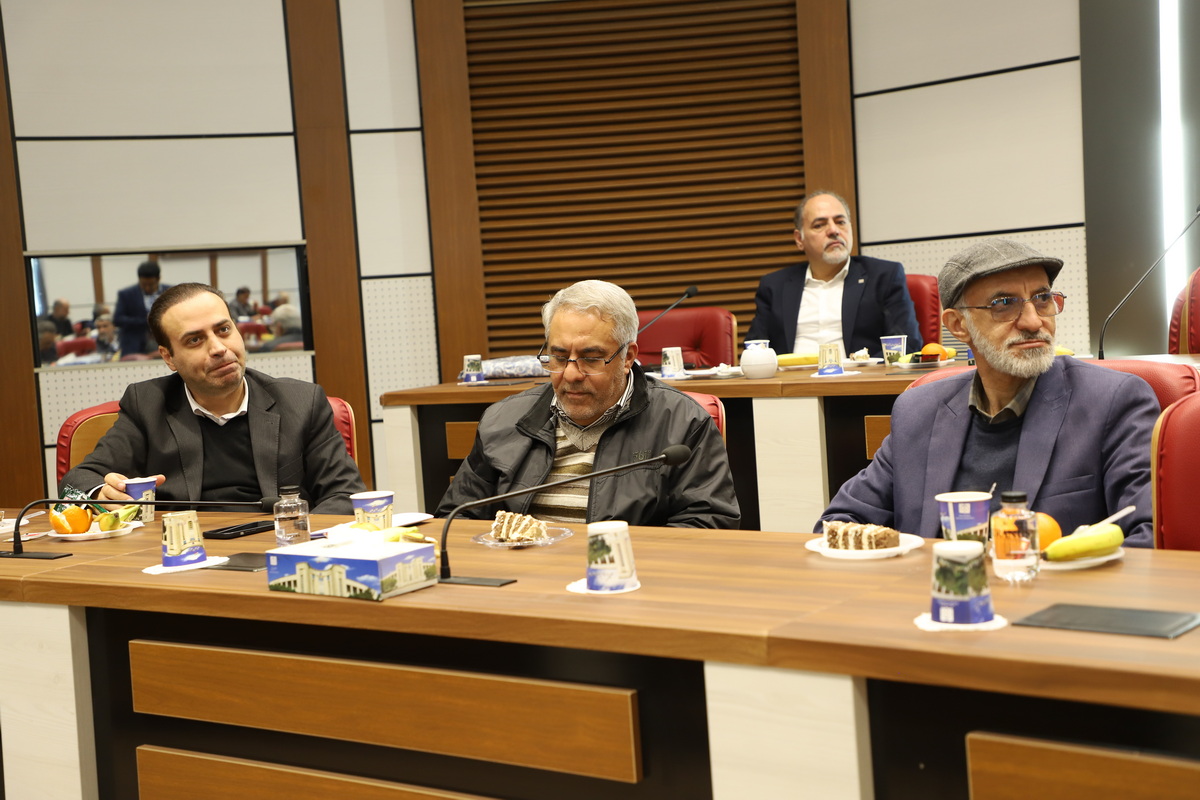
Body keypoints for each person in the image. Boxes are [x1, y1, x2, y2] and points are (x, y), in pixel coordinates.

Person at [818, 238, 1159, 547]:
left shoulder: (1113, 401)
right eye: (1004, 304)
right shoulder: (919, 411)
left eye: (1042, 299)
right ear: (958, 325)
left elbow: (1150, 536)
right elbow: (837, 525)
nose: (1033, 321)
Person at [437, 279, 740, 528]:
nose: (571, 374)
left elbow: (709, 523)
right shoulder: (501, 420)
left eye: (591, 358)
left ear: (628, 357)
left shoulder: (683, 422)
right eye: (558, 357)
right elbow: (456, 519)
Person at [61, 283, 364, 513]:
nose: (219, 348)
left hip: (279, 548)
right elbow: (77, 482)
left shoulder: (301, 402)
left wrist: (297, 540)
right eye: (195, 340)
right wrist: (100, 493)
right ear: (169, 357)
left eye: (224, 329)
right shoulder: (147, 404)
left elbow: (345, 494)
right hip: (183, 556)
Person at [745, 190, 922, 358]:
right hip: (793, 379)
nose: (833, 230)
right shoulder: (774, 286)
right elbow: (754, 350)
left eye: (840, 222)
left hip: (860, 379)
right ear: (800, 239)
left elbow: (907, 346)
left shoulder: (884, 276)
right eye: (819, 225)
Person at [113, 260, 167, 356]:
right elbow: (118, 319)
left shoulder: (170, 292)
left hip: (164, 341)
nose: (147, 288)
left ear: (158, 279)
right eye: (143, 284)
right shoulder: (126, 294)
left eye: (151, 285)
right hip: (134, 345)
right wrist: (145, 321)